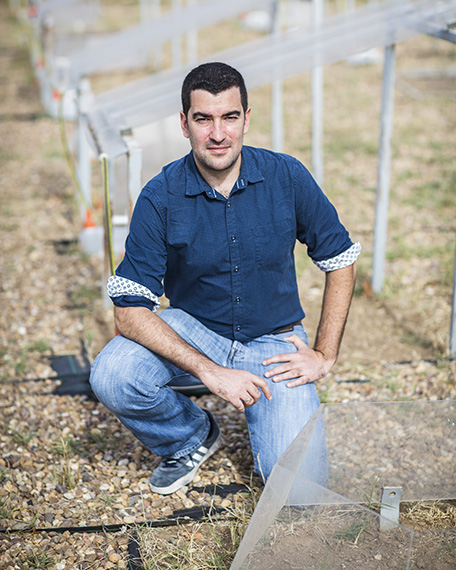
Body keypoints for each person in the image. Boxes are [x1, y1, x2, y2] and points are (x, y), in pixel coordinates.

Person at [89, 62, 360, 495]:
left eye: (229, 117)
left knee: (302, 493)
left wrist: (324, 353)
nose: (218, 134)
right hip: (197, 331)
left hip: (275, 343)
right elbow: (128, 311)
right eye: (203, 119)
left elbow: (340, 259)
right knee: (113, 375)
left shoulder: (286, 176)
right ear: (184, 123)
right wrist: (211, 372)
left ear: (246, 119)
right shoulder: (160, 196)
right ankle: (190, 435)